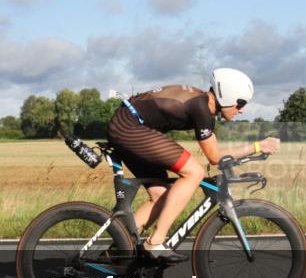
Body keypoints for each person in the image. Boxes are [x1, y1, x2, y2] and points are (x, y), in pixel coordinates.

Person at [106, 68, 280, 262]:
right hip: (128, 127)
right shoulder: (201, 108)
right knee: (194, 172)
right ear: (228, 95)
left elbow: (218, 154)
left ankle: (118, 252)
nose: (242, 110)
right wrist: (258, 146)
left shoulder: (203, 106)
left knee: (161, 195)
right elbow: (214, 157)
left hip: (128, 125)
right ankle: (155, 241)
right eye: (241, 103)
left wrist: (254, 150)